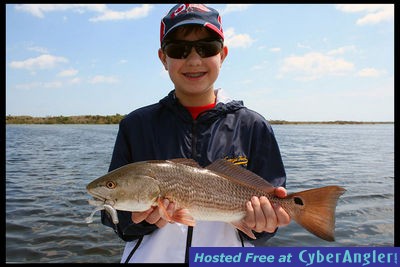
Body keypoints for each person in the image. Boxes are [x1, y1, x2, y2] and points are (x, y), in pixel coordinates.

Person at [101, 3, 290, 263]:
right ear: (163, 58)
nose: (193, 60)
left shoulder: (254, 127)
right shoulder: (135, 125)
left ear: (222, 54)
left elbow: (266, 227)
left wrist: (265, 223)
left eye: (206, 48)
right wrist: (138, 221)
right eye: (178, 50)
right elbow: (114, 217)